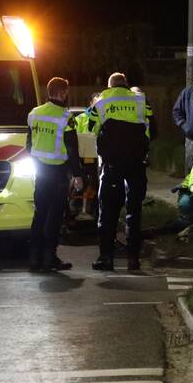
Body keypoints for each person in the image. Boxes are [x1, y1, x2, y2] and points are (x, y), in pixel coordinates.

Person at [90, 72, 150, 271]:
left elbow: (91, 127)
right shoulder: (140, 100)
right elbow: (152, 130)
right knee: (134, 212)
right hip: (136, 164)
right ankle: (134, 259)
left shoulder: (103, 99)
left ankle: (106, 258)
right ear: (126, 84)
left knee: (108, 212)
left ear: (110, 85)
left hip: (112, 164)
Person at [26, 77, 84, 272]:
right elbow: (72, 149)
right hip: (58, 173)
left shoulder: (34, 113)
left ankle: (34, 259)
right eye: (66, 92)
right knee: (55, 216)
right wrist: (77, 175)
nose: (67, 95)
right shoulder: (66, 117)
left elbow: (29, 145)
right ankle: (50, 258)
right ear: (62, 93)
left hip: (40, 172)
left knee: (39, 214)